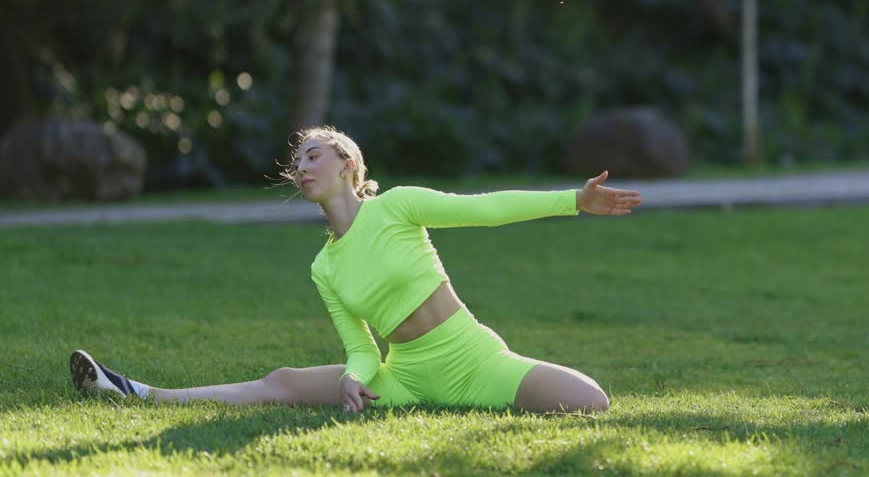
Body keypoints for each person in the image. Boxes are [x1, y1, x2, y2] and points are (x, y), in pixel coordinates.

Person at [70, 125, 642, 414]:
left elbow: (486, 209)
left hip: (475, 360)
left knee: (591, 402)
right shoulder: (324, 266)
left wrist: (574, 200)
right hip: (407, 376)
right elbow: (361, 344)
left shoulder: (398, 205)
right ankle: (136, 391)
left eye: (312, 155)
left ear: (348, 163)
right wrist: (355, 375)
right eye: (296, 163)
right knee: (285, 382)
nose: (301, 168)